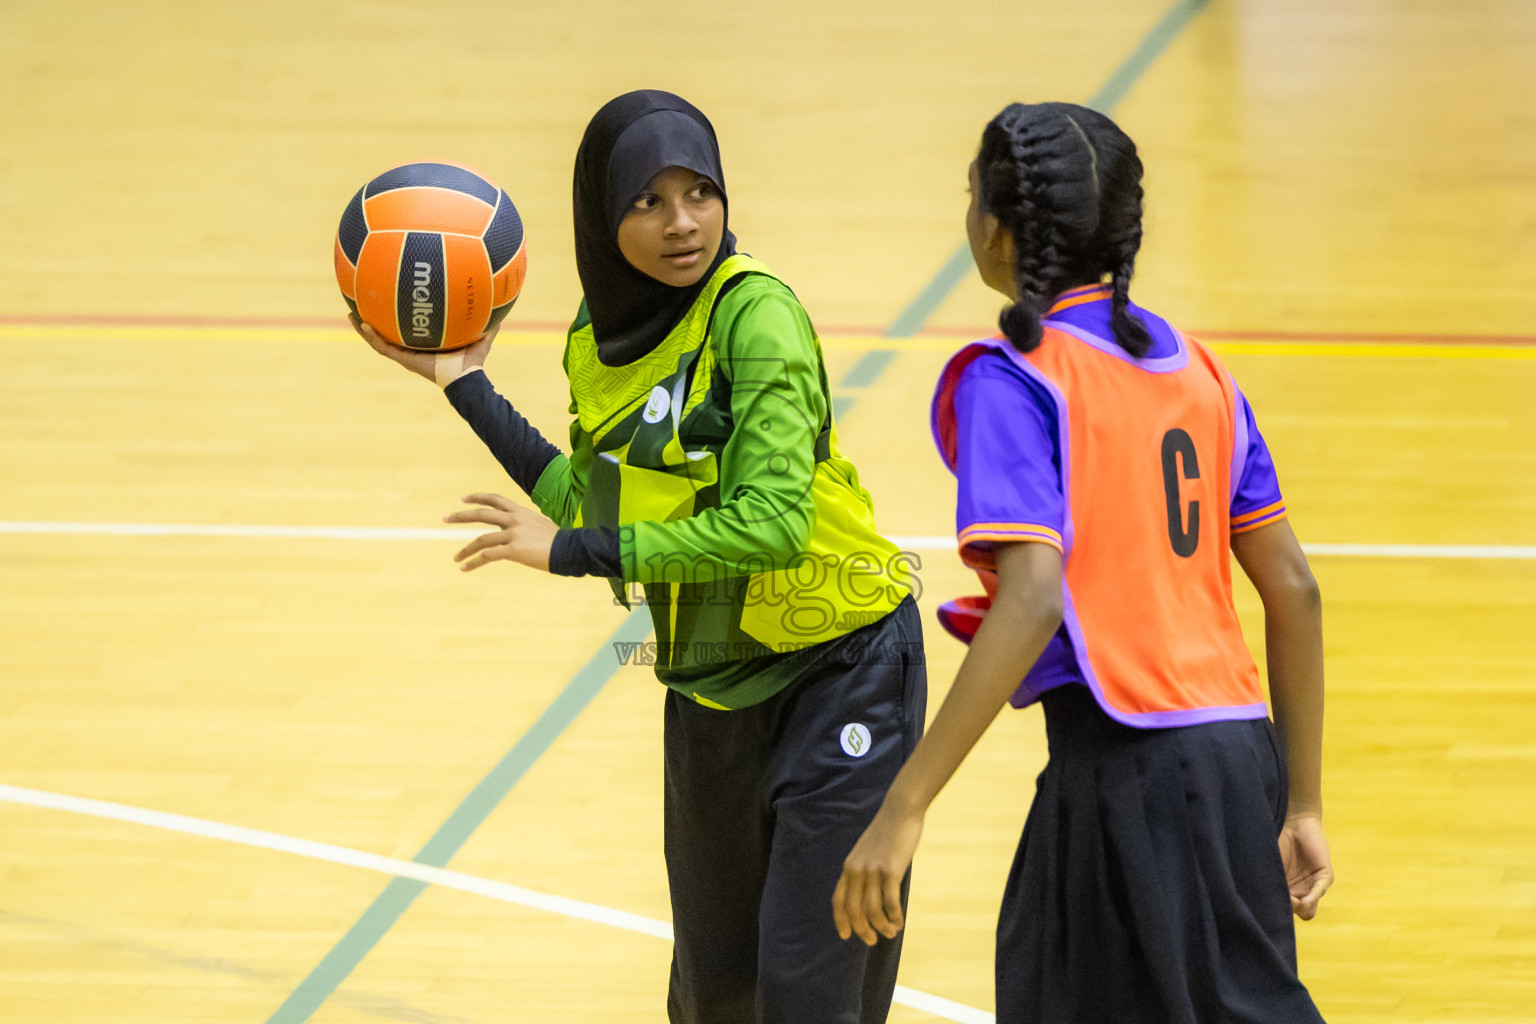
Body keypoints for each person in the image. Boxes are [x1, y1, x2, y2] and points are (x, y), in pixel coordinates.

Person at [353, 90, 926, 1024]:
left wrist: (572, 550)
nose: (682, 222)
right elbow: (605, 510)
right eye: (646, 201)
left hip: (846, 671)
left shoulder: (756, 318)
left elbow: (771, 523)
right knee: (714, 1000)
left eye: (699, 191)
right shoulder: (597, 339)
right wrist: (466, 387)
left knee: (806, 991)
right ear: (600, 213)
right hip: (710, 685)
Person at [831, 101, 1332, 1023]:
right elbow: (1293, 588)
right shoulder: (1199, 370)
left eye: (971, 195)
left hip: (1128, 772)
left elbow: (1032, 600)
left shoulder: (1014, 376)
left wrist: (906, 803)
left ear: (998, 228)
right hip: (1237, 762)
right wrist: (1300, 800)